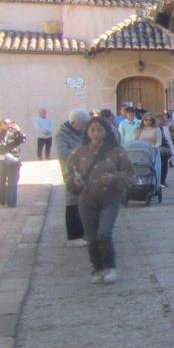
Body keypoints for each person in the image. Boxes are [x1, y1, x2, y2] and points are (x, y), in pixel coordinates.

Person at [64, 118, 133, 283]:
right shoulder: (79, 153)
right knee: (92, 236)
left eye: (100, 130)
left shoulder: (117, 152)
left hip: (110, 199)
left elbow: (129, 174)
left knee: (104, 232)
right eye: (93, 130)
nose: (96, 134)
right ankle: (97, 268)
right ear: (87, 132)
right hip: (87, 200)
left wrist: (114, 178)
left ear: (106, 132)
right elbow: (69, 173)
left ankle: (110, 266)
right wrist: (75, 181)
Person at [55, 108, 90, 245]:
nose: (84, 128)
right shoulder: (62, 135)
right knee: (72, 202)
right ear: (74, 123)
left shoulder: (80, 131)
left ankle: (82, 233)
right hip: (71, 172)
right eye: (82, 125)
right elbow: (64, 153)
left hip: (84, 171)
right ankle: (73, 237)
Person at [0, 119, 26, 207]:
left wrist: (18, 130)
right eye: (5, 123)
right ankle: (2, 201)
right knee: (1, 182)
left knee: (13, 183)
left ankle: (11, 203)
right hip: (2, 160)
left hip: (13, 160)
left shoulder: (15, 133)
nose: (8, 125)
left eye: (10, 123)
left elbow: (22, 139)